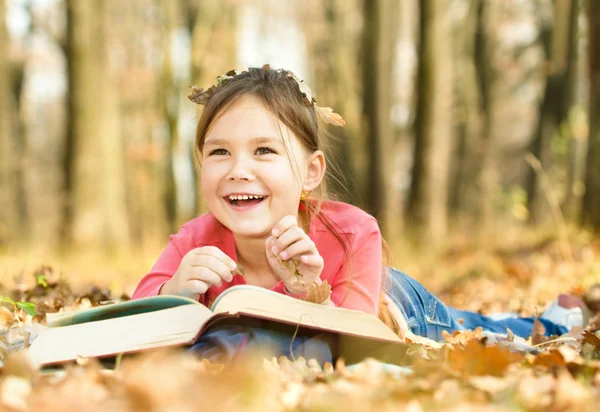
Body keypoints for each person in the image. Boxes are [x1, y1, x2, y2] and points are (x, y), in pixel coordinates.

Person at [131, 65, 583, 364]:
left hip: (397, 305)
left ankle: (554, 321)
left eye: (264, 151)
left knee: (478, 330)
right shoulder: (196, 238)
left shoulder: (352, 231)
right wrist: (174, 290)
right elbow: (134, 317)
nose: (238, 171)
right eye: (219, 153)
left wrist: (313, 294)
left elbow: (360, 341)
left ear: (310, 172)